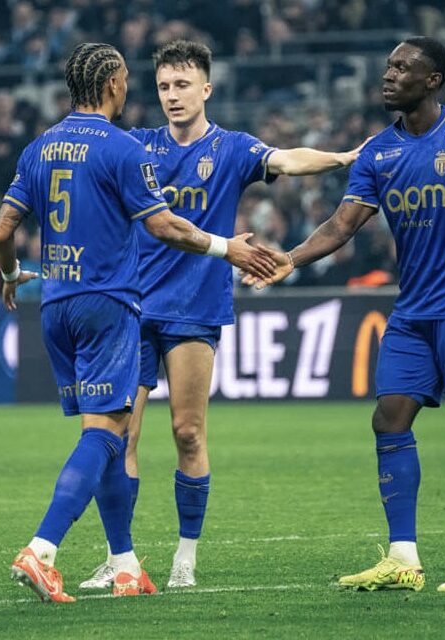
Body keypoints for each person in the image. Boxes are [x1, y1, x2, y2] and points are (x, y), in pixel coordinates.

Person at [247, 36, 445, 592]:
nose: (388, 75)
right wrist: (289, 259)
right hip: (411, 314)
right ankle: (403, 558)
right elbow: (341, 225)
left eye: (402, 67)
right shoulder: (378, 152)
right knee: (388, 419)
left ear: (433, 80)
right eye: (387, 66)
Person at [0, 42, 275, 603]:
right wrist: (228, 248)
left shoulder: (39, 147)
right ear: (113, 84)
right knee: (106, 434)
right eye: (127, 79)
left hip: (54, 305)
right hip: (109, 305)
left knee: (113, 433)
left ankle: (124, 564)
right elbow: (164, 226)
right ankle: (42, 549)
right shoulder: (124, 147)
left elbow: (0, 231)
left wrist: (10, 274)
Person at [80, 39, 365, 591]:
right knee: (121, 438)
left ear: (206, 89)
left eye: (183, 85)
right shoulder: (137, 145)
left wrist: (342, 158)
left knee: (188, 432)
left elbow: (286, 160)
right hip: (132, 307)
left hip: (195, 307)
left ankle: (185, 557)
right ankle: (120, 559)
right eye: (164, 86)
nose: (172, 95)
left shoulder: (231, 148)